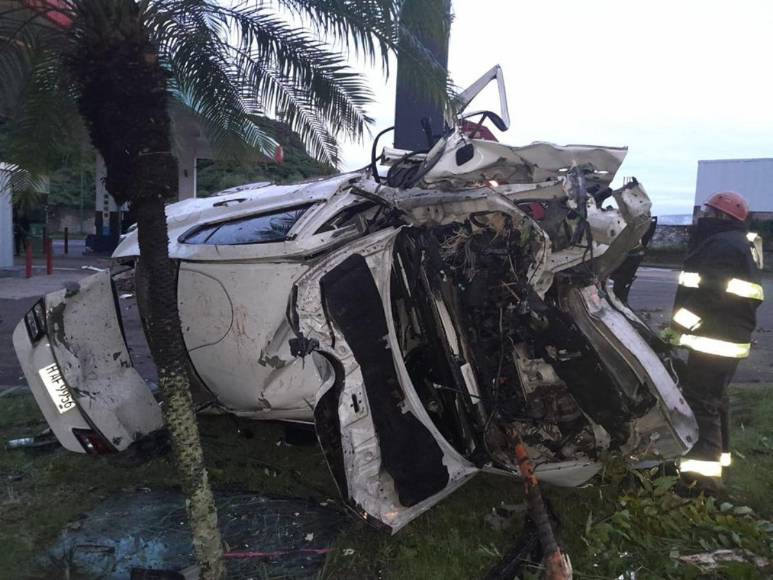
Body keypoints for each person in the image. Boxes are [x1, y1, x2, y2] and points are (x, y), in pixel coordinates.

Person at [670, 191, 764, 489]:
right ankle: (719, 463)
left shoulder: (721, 245)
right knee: (715, 400)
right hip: (728, 337)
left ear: (721, 217)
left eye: (708, 212)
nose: (702, 216)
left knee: (700, 404)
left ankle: (701, 483)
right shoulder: (736, 243)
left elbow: (709, 294)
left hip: (714, 339)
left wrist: (677, 327)